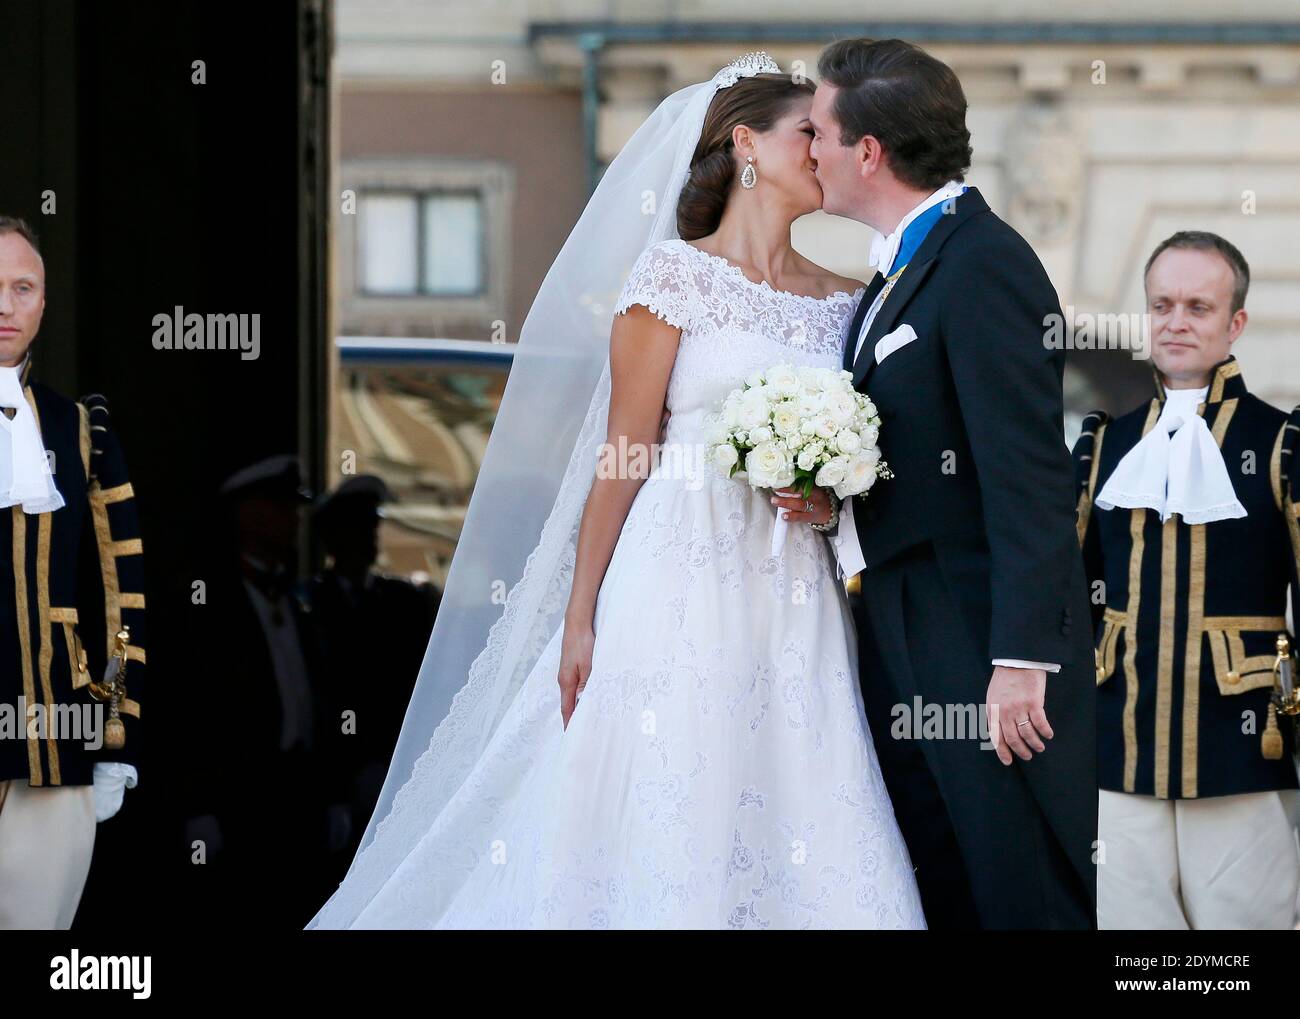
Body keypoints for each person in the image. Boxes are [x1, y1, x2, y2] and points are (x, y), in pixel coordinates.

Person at [308, 53, 926, 929]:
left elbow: (864, 468)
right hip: (674, 580)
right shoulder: (672, 281)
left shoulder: (847, 302)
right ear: (746, 144)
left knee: (798, 777)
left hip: (795, 591)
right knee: (665, 784)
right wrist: (581, 612)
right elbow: (623, 454)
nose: (828, 151)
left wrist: (826, 501)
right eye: (809, 134)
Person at [808, 38, 1097, 928]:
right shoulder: (896, 272)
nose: (807, 147)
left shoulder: (983, 264)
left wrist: (1019, 662)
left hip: (971, 637)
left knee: (1015, 882)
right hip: (900, 616)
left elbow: (1029, 477)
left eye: (818, 129)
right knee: (943, 878)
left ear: (868, 150)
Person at [1073, 231, 1300, 929]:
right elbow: (1071, 594)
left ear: (1235, 324)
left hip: (1241, 750)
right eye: (1162, 304)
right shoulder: (1105, 443)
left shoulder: (1282, 444)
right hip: (1118, 748)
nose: (1176, 321)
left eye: (1198, 306)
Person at [0, 215, 145, 929]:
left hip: (53, 737)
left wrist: (124, 725)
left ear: (44, 304)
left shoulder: (80, 427)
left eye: (23, 288)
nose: (6, 305)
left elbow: (121, 586)